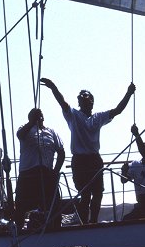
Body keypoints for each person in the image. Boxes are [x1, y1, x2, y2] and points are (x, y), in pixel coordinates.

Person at [41, 77, 135, 224]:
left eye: (86, 96)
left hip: (94, 159)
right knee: (85, 194)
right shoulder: (73, 115)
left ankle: (94, 221)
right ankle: (84, 222)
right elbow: (62, 102)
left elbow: (118, 110)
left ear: (92, 100)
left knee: (98, 193)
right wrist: (53, 87)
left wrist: (129, 93)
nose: (82, 98)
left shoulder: (98, 117)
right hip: (80, 160)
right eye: (81, 97)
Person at [14, 108, 65, 230]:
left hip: (47, 174)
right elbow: (19, 135)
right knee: (21, 205)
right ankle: (19, 230)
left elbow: (61, 152)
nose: (39, 116)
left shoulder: (52, 132)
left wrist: (55, 171)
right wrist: (31, 122)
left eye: (40, 114)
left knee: (53, 205)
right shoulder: (25, 129)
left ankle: (56, 229)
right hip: (28, 174)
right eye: (35, 115)